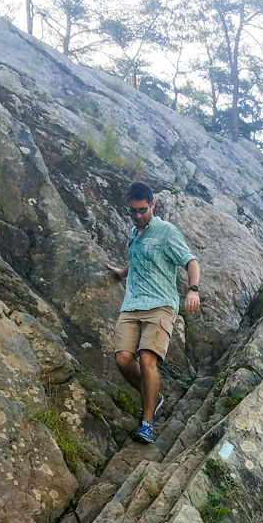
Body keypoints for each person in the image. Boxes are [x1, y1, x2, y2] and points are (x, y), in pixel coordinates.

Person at [106, 181, 201, 445]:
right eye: (133, 211)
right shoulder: (134, 232)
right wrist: (121, 272)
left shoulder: (166, 232)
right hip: (132, 305)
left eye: (142, 210)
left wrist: (193, 289)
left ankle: (147, 422)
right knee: (124, 359)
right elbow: (136, 258)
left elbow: (191, 261)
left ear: (153, 205)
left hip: (160, 305)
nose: (137, 215)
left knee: (147, 358)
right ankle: (154, 396)